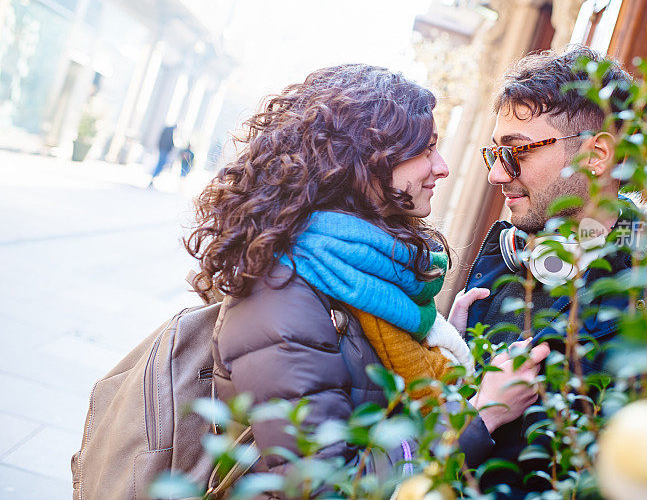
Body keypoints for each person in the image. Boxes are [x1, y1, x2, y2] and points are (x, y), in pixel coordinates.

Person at [184, 64, 549, 494]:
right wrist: (484, 414)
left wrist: (440, 339)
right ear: (366, 162)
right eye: (427, 150)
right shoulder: (282, 300)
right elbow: (324, 486)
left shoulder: (359, 275)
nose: (443, 167)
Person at [463, 46, 647, 496]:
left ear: (596, 155)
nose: (497, 175)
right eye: (494, 154)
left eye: (517, 152)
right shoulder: (500, 260)